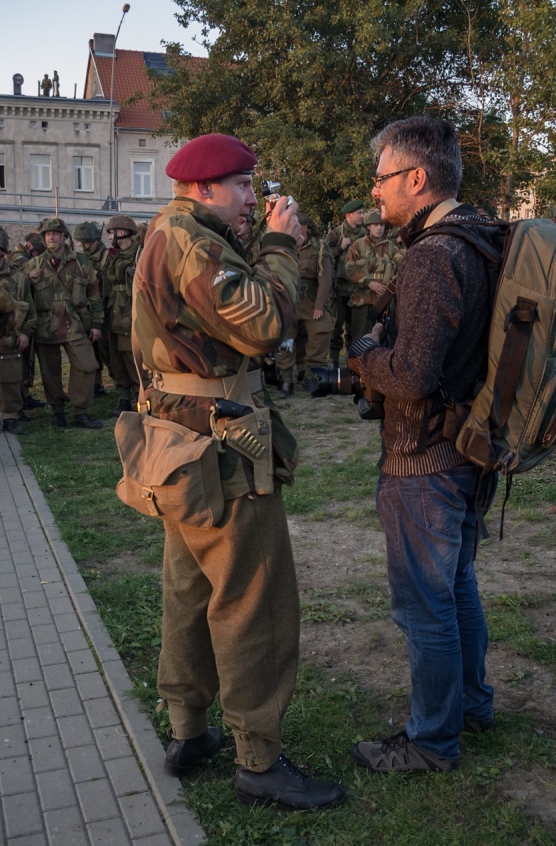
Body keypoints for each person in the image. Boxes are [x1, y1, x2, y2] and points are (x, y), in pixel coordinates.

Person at [132, 132, 344, 811]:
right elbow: (261, 326)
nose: (255, 198)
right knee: (254, 601)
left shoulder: (179, 230)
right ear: (203, 188)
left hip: (180, 446)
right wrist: (283, 247)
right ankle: (259, 759)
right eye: (243, 185)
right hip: (219, 448)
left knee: (189, 593)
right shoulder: (192, 240)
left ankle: (189, 730)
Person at [347, 116, 499, 774]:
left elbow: (410, 376)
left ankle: (433, 739)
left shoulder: (435, 254)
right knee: (456, 584)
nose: (374, 191)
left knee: (425, 604)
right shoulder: (483, 238)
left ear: (417, 178)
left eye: (382, 177)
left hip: (425, 460)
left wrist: (363, 357)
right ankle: (470, 704)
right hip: (465, 447)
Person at [29, 217, 103, 429]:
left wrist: (96, 324)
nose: (51, 237)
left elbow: (94, 294)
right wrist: (31, 282)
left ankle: (81, 410)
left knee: (87, 365)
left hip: (75, 324)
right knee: (50, 373)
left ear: (64, 237)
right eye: (47, 234)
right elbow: (23, 298)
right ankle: (58, 411)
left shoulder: (81, 262)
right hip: (46, 326)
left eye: (55, 233)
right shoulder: (33, 264)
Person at [275, 213, 334, 396]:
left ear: (305, 228)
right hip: (288, 299)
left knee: (320, 331)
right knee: (286, 339)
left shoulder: (320, 246)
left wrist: (319, 306)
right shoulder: (282, 245)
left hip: (311, 300)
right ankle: (286, 379)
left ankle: (310, 376)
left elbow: (325, 279)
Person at [345, 208, 404, 342]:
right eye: (375, 225)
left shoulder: (392, 247)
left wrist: (389, 287)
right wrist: (369, 283)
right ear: (368, 227)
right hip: (362, 301)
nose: (379, 228)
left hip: (385, 301)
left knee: (385, 339)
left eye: (381, 225)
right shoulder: (358, 245)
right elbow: (350, 269)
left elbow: (401, 270)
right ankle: (355, 363)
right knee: (360, 340)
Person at [0, 226, 36, 433]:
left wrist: (25, 333)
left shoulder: (17, 277)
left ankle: (10, 417)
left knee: (11, 379)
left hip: (9, 336)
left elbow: (30, 309)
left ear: (3, 252)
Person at [105, 215, 140, 415]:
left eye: (112, 232)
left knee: (131, 359)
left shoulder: (139, 254)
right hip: (115, 312)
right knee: (116, 359)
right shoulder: (114, 256)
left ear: (122, 232)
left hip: (131, 314)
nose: (110, 237)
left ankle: (139, 395)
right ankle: (123, 397)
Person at [325, 200, 367, 366]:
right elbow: (324, 257)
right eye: (360, 213)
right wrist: (340, 248)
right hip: (339, 288)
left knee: (354, 329)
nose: (363, 216)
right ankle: (334, 361)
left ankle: (352, 362)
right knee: (336, 326)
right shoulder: (336, 233)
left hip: (358, 288)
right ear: (349, 215)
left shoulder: (365, 234)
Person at [73, 221, 111, 397]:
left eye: (86, 242)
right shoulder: (82, 260)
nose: (83, 246)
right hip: (90, 310)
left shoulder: (108, 257)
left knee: (109, 350)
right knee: (92, 349)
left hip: (108, 308)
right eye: (81, 242)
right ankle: (97, 383)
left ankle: (121, 381)